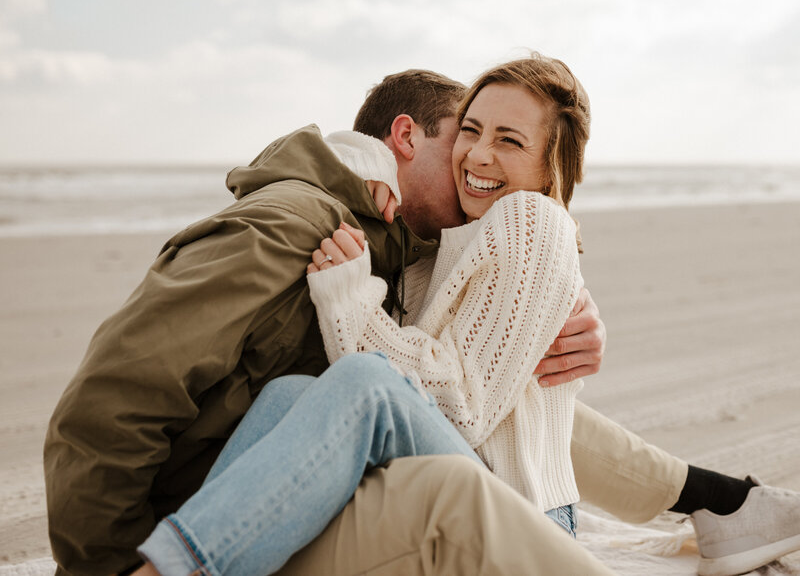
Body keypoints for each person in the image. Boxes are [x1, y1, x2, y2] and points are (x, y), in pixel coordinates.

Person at [44, 65, 799, 576]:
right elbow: (115, 396)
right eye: (467, 133)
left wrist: (563, 291)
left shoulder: (420, 243)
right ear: (407, 139)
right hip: (247, 490)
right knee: (299, 396)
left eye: (505, 139)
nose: (476, 155)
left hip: (480, 487)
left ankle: (721, 498)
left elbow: (526, 249)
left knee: (370, 381)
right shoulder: (318, 231)